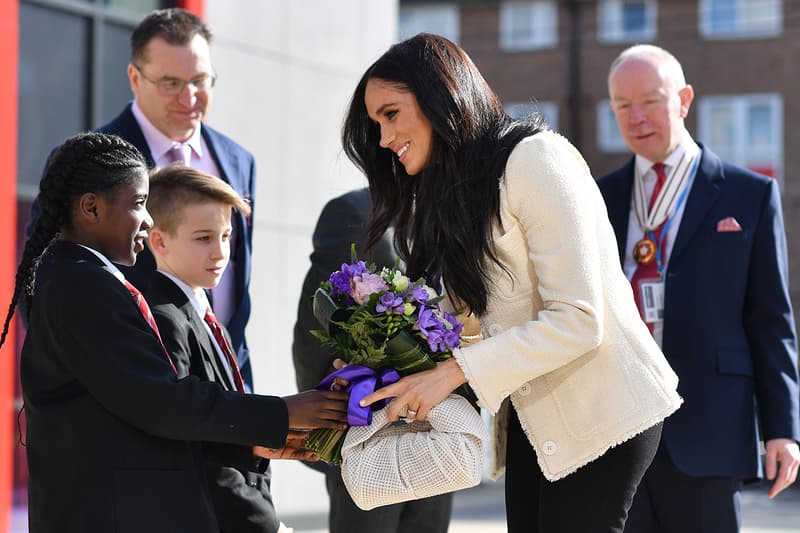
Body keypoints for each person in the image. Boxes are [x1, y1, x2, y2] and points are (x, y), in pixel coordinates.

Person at [342, 33, 683, 533]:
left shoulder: (536, 159)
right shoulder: (456, 196)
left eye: (391, 114)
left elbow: (579, 320)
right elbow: (473, 325)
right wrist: (377, 367)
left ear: (440, 96)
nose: (385, 139)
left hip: (603, 409)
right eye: (376, 125)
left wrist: (450, 373)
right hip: (535, 415)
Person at [3, 131, 348, 533]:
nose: (148, 221)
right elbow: (158, 400)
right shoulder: (81, 282)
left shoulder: (82, 276)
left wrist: (253, 440)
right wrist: (282, 412)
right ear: (91, 208)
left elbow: (140, 410)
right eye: (138, 204)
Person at [597, 44, 800, 532]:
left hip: (708, 426)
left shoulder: (748, 195)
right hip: (616, 428)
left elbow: (771, 320)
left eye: (651, 100)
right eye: (623, 105)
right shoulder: (598, 196)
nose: (637, 116)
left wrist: (782, 430)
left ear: (684, 99)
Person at [27, 8, 257, 391]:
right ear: (135, 78)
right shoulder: (89, 164)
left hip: (228, 391)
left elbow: (235, 290)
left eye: (200, 80)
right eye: (171, 83)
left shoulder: (238, 161)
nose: (189, 97)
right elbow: (44, 284)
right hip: (132, 399)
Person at [291, 187, 454, 533]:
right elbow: (315, 333)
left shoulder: (453, 217)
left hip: (438, 433)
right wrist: (333, 438)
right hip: (367, 441)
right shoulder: (353, 213)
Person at [144, 165, 294, 533]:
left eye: (225, 236)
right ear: (159, 241)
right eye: (203, 238)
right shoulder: (164, 318)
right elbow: (192, 442)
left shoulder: (205, 314)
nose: (220, 252)